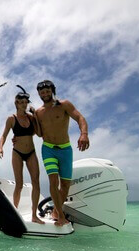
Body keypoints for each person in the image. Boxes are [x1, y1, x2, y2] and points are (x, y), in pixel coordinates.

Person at [34, 80, 90, 226]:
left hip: (65, 149)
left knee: (65, 185)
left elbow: (80, 118)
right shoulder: (38, 112)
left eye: (47, 91)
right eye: (42, 92)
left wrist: (84, 134)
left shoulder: (64, 104)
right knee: (53, 180)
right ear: (39, 94)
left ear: (52, 91)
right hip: (48, 149)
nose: (45, 94)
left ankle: (55, 211)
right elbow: (39, 134)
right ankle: (60, 216)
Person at [0, 86, 44, 224]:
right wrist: (0, 148)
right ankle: (15, 213)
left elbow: (38, 133)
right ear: (16, 103)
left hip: (31, 152)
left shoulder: (31, 117)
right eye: (21, 102)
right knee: (19, 184)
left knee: (36, 182)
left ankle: (34, 215)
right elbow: (3, 135)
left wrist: (35, 116)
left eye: (25, 102)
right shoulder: (11, 118)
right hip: (17, 153)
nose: (24, 104)